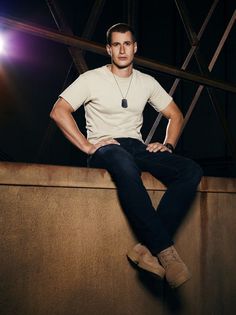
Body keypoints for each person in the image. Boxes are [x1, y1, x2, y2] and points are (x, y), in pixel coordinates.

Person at [50, 23, 203, 289]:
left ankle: (144, 249)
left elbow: (175, 115)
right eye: (117, 44)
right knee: (123, 162)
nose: (122, 49)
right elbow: (59, 111)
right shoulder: (91, 79)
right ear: (109, 49)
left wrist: (168, 145)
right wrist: (88, 146)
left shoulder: (146, 82)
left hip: (136, 146)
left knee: (190, 171)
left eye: (127, 44)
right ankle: (167, 254)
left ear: (135, 48)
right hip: (106, 147)